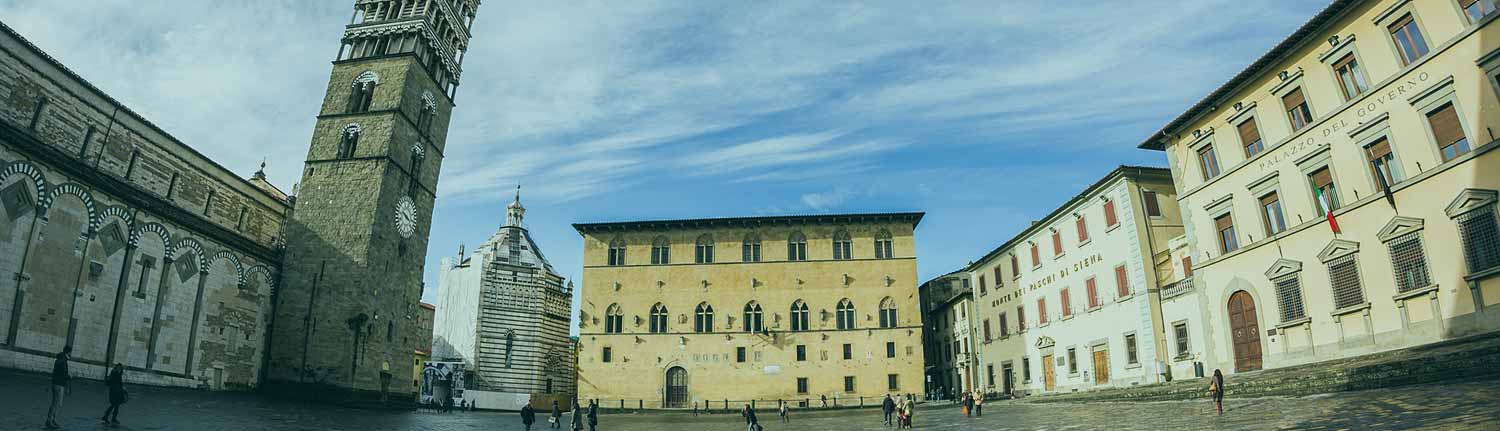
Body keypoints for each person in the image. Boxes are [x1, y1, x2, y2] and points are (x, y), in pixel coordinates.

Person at [45, 346, 71, 429]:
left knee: (56, 403)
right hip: (59, 384)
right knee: (57, 404)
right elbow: (63, 373)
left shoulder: (59, 360)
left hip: (56, 383)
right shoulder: (63, 361)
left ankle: (53, 420)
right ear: (68, 352)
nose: (71, 354)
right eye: (70, 352)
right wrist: (68, 377)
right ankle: (50, 420)